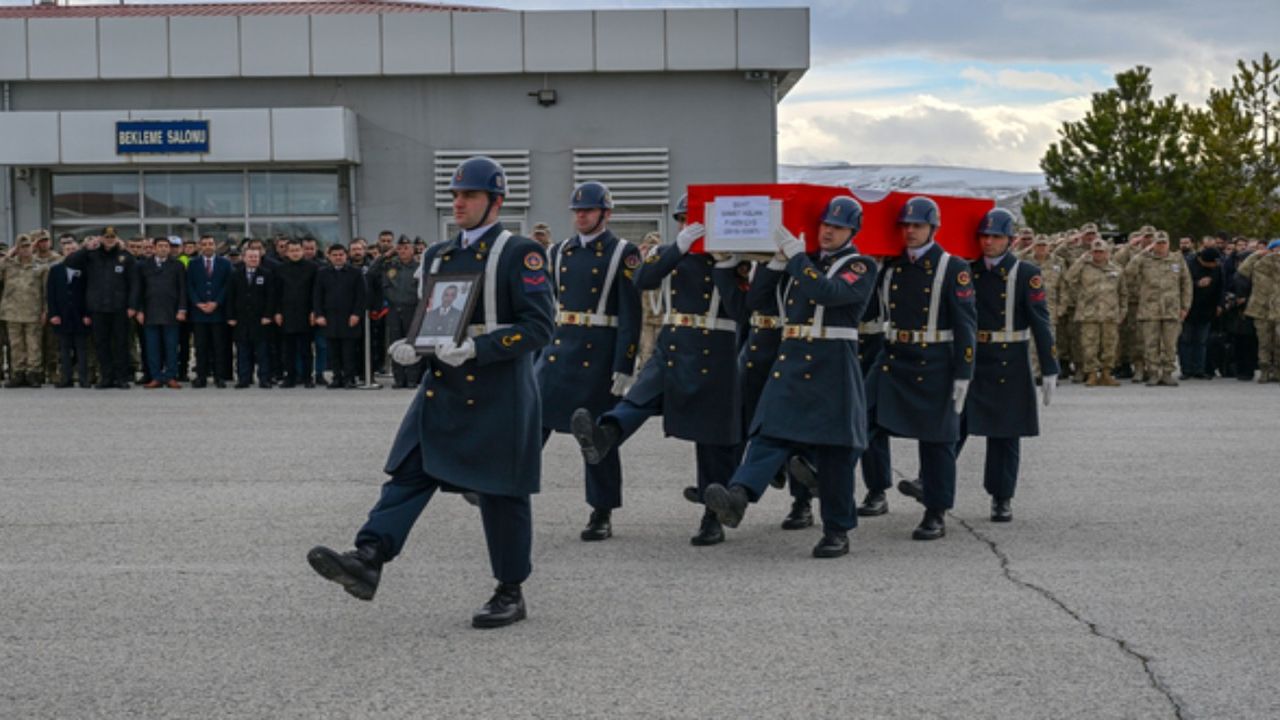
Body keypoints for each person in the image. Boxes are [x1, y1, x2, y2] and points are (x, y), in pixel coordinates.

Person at [308, 156, 555, 629]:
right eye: (456, 195)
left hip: (499, 389)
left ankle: (510, 590)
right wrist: (413, 345)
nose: (458, 203)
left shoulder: (519, 252)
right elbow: (434, 315)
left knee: (502, 493)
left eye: (470, 196)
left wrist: (479, 348)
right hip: (442, 383)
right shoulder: (438, 255)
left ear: (494, 202)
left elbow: (540, 327)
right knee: (408, 473)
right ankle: (368, 556)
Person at [701, 196, 877, 557]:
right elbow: (756, 301)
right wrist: (777, 264)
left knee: (835, 451)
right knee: (768, 434)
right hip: (792, 357)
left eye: (838, 227)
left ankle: (837, 531)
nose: (828, 231)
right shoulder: (804, 263)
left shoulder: (859, 265)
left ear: (852, 231)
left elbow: (828, 293)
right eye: (825, 224)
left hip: (833, 362)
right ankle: (738, 497)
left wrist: (796, 258)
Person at [570, 193, 746, 546]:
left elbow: (742, 310)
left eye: (690, 221)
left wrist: (725, 263)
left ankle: (712, 516)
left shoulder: (735, 260)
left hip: (715, 347)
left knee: (711, 438)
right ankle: (605, 436)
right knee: (638, 397)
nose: (685, 227)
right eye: (681, 221)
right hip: (674, 342)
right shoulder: (672, 254)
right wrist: (679, 247)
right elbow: (643, 279)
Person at [536, 181, 642, 541]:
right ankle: (501, 485)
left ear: (605, 214)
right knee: (530, 421)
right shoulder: (559, 251)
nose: (581, 216)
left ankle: (602, 511)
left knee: (596, 439)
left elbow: (632, 314)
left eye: (588, 210)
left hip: (597, 354)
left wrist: (624, 366)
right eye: (577, 211)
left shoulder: (623, 253)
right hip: (559, 347)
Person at [868, 196, 976, 541]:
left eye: (917, 225)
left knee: (937, 439)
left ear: (933, 228)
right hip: (894, 356)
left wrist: (964, 372)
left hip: (934, 360)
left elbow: (965, 324)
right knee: (861, 419)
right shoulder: (891, 266)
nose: (910, 231)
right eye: (906, 225)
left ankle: (935, 510)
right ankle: (862, 487)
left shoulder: (952, 266)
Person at [953, 209, 1059, 522]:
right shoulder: (967, 271)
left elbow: (1041, 322)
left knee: (1005, 435)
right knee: (952, 427)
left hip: (1009, 359)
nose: (988, 242)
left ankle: (1002, 497)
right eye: (984, 236)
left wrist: (1050, 367)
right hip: (973, 358)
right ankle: (930, 484)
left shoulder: (1026, 274)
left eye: (996, 236)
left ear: (1009, 241)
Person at [62, 228, 136, 389]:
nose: (109, 239)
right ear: (101, 238)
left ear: (117, 238)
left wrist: (132, 305)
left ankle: (121, 378)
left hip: (120, 308)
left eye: (112, 237)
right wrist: (86, 247)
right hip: (98, 307)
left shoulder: (125, 256)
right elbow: (69, 262)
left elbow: (134, 283)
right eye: (106, 237)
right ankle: (106, 377)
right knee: (102, 344)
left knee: (121, 344)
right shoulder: (91, 255)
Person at [1125, 231, 1192, 386]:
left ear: (1168, 244)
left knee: (1169, 344)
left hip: (1171, 309)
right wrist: (1142, 253)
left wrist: (1185, 306)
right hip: (1150, 309)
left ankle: (1167, 373)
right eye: (1157, 243)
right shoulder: (1144, 260)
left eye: (1163, 243)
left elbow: (1186, 284)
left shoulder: (1177, 259)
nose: (1160, 246)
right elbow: (1128, 273)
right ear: (1152, 244)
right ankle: (1153, 373)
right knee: (1150, 344)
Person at [1063, 239, 1127, 386]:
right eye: (1095, 252)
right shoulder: (1084, 267)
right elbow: (1068, 277)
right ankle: (1091, 374)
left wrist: (1122, 311)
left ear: (1107, 253)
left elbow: (1123, 292)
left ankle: (1106, 374)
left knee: (1110, 345)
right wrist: (1081, 260)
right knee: (1089, 346)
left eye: (1101, 252)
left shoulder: (1116, 269)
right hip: (1089, 314)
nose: (1098, 254)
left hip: (1110, 314)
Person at [132, 236, 187, 389]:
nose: (163, 248)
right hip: (150, 312)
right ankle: (156, 377)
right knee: (152, 347)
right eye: (160, 246)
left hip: (171, 312)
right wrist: (139, 310)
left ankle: (170, 376)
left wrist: (182, 309)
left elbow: (183, 288)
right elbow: (139, 290)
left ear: (169, 249)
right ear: (154, 248)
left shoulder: (177, 265)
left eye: (166, 246)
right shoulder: (143, 266)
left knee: (171, 347)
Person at [312, 244, 367, 389]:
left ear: (346, 255)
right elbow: (317, 295)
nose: (338, 257)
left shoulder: (355, 272)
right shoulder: (322, 273)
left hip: (349, 316)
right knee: (333, 350)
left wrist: (357, 314)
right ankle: (337, 377)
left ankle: (349, 378)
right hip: (330, 317)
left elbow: (361, 296)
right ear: (329, 256)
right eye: (335, 255)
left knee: (348, 351)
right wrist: (319, 314)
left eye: (341, 254)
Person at [0, 235, 51, 387]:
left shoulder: (41, 266)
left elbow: (46, 291)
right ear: (17, 248)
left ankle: (33, 374)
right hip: (12, 311)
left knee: (33, 344)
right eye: (22, 247)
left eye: (28, 246)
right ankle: (18, 373)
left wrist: (45, 310)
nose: (25, 250)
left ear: (32, 247)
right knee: (16, 345)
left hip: (33, 311)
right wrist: (9, 254)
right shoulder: (8, 265)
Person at [226, 246, 276, 388]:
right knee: (243, 351)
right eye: (250, 257)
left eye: (256, 257)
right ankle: (244, 378)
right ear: (244, 258)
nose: (253, 259)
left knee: (262, 352)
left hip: (261, 319)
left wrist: (268, 315)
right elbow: (230, 297)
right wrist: (231, 316)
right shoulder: (235, 275)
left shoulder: (267, 274)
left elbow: (271, 297)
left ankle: (264, 378)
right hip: (241, 320)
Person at [187, 234, 232, 388]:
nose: (207, 246)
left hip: (218, 312)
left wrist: (217, 302)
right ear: (200, 246)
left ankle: (220, 377)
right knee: (201, 347)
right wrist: (197, 303)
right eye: (204, 244)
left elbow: (228, 285)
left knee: (219, 347)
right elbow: (189, 285)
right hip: (199, 313)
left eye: (210, 243)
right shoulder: (193, 264)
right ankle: (201, 377)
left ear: (215, 245)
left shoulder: (225, 263)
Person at [45, 237, 91, 388]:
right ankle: (66, 378)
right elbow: (51, 294)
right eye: (67, 250)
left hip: (80, 316)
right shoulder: (55, 270)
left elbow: (89, 294)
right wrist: (53, 314)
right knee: (64, 349)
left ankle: (84, 379)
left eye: (73, 250)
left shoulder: (85, 270)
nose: (70, 253)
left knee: (81, 349)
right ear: (62, 252)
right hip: (62, 316)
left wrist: (87, 314)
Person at [381, 235, 425, 389]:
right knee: (395, 343)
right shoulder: (391, 267)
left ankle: (412, 378)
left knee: (412, 343)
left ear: (413, 250)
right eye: (399, 248)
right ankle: (399, 378)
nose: (403, 251)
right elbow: (382, 283)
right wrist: (385, 255)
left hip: (412, 309)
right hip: (394, 309)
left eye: (406, 248)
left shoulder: (419, 267)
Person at [273, 239, 318, 388]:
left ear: (302, 251)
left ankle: (307, 378)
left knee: (306, 349)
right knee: (288, 349)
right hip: (287, 314)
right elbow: (276, 292)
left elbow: (315, 292)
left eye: (298, 250)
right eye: (292, 251)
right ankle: (290, 377)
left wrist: (314, 311)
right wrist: (277, 311)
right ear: (287, 252)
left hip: (306, 314)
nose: (295, 253)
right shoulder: (280, 268)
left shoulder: (313, 268)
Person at [1235, 241, 1280, 382]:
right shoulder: (1259, 264)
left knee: (1278, 341)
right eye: (1276, 248)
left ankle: (1278, 370)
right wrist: (1256, 254)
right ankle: (1265, 370)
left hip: (1278, 308)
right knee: (1264, 342)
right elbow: (1242, 270)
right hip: (1261, 308)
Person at [1178, 247, 1226, 380]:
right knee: (1186, 340)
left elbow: (1222, 286)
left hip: (1207, 308)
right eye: (1212, 263)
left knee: (1201, 341)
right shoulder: (1189, 264)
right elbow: (1180, 284)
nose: (1214, 266)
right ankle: (1186, 369)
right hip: (1189, 307)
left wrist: (1220, 304)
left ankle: (1199, 369)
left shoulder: (1217, 267)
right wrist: (1197, 284)